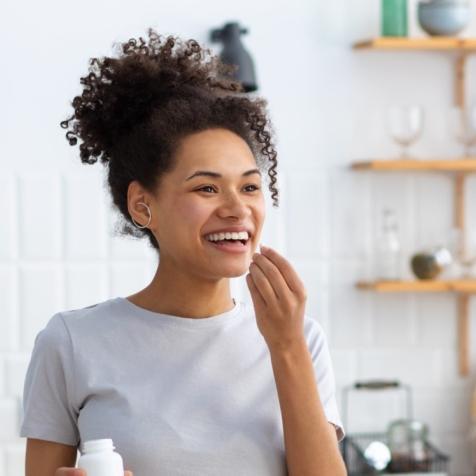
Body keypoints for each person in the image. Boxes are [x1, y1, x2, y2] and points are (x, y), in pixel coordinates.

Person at [20, 28, 346, 476]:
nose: (237, 209)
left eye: (250, 186)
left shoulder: (300, 340)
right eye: (207, 188)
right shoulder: (72, 342)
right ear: (142, 204)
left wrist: (285, 346)